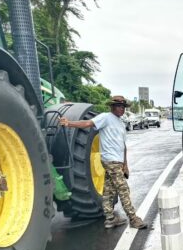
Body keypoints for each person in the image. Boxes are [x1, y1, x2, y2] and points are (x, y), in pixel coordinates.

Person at [59, 96, 147, 230]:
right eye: (119, 106)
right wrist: (69, 123)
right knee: (123, 189)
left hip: (118, 162)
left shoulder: (121, 123)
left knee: (108, 190)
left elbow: (123, 145)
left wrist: (125, 165)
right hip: (110, 160)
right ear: (112, 107)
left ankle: (110, 219)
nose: (122, 109)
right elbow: (87, 124)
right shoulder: (105, 117)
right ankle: (133, 219)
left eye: (123, 107)